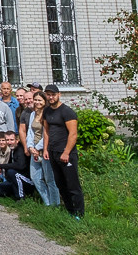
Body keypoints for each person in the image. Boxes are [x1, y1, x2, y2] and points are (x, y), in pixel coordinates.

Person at [43, 85, 84, 218]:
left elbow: (73, 134)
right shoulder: (47, 111)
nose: (51, 97)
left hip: (66, 153)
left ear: (59, 94)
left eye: (53, 94)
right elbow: (46, 131)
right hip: (53, 152)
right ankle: (70, 211)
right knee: (60, 184)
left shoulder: (67, 112)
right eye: (48, 94)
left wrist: (66, 152)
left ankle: (79, 213)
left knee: (72, 185)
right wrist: (45, 149)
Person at [26, 92, 60, 206]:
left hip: (45, 149)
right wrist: (30, 146)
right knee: (35, 177)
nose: (37, 102)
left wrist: (37, 147)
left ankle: (55, 204)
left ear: (45, 101)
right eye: (35, 100)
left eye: (40, 100)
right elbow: (30, 132)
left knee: (50, 179)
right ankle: (47, 202)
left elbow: (48, 134)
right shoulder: (32, 114)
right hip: (34, 150)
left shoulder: (48, 114)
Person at [0, 130, 34, 201]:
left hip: (27, 180)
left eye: (11, 140)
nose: (9, 142)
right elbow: (10, 164)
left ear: (17, 140)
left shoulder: (20, 149)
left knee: (11, 172)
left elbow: (21, 166)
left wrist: (2, 166)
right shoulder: (12, 150)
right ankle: (12, 193)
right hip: (15, 180)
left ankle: (20, 197)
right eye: (7, 140)